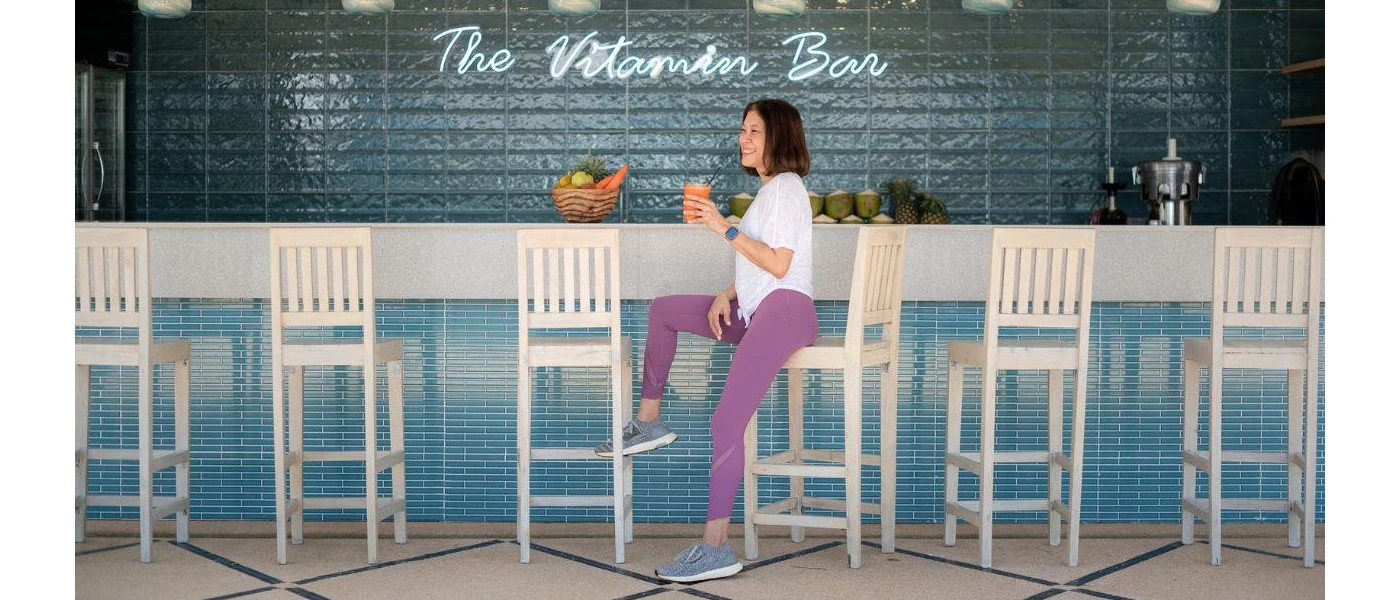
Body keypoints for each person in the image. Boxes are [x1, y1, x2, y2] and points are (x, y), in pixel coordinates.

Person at [593, 98, 818, 583]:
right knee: (664, 311)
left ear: (779, 137)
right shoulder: (770, 192)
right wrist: (728, 291)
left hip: (784, 313)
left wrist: (722, 225)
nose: (743, 138)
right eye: (743, 130)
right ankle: (648, 420)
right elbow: (771, 261)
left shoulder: (786, 187)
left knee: (724, 422)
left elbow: (781, 265)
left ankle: (716, 546)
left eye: (754, 130)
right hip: (762, 308)